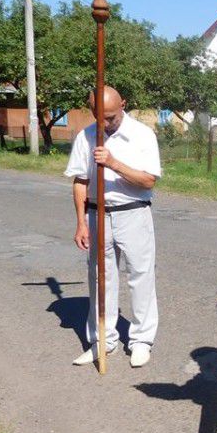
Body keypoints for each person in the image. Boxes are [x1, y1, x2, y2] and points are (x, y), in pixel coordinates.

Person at [64, 86, 161, 368]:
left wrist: (113, 163)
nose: (105, 123)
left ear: (123, 105)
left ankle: (141, 340)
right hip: (97, 214)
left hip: (133, 212)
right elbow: (80, 181)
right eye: (99, 117)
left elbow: (149, 180)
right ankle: (102, 341)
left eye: (111, 117)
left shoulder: (143, 135)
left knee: (141, 276)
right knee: (100, 278)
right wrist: (81, 222)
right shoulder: (86, 136)